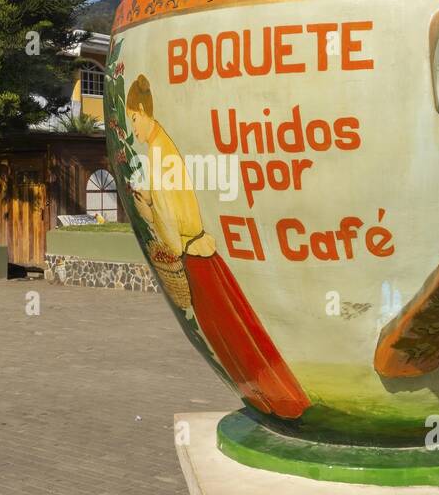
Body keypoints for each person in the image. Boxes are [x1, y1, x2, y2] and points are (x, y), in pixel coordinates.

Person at [124, 75, 310, 420]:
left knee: (230, 335)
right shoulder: (161, 146)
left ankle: (282, 404)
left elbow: (169, 217)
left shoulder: (159, 153)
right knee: (237, 330)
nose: (133, 128)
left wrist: (145, 209)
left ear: (144, 113)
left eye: (134, 119)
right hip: (200, 252)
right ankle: (283, 401)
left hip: (193, 257)